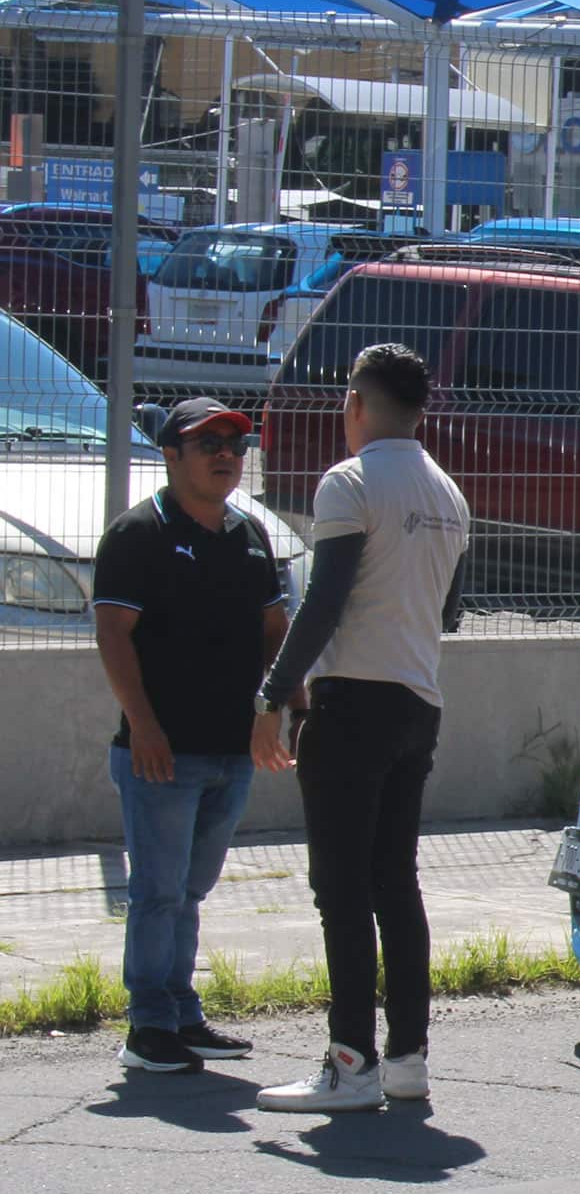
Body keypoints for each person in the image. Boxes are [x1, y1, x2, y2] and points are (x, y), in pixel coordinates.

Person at [251, 344, 471, 1115]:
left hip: (352, 706)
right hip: (419, 703)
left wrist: (274, 694)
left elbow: (324, 601)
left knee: (340, 891)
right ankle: (406, 1057)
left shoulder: (349, 482)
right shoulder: (449, 494)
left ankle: (351, 1064)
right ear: (420, 411)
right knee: (395, 884)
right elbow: (448, 610)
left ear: (357, 403)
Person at [91, 399, 295, 1075]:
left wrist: (290, 704)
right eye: (207, 441)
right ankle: (148, 1024)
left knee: (191, 888)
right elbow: (113, 636)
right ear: (170, 454)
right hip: (160, 752)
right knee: (157, 890)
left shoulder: (248, 533)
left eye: (235, 442)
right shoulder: (137, 533)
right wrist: (144, 725)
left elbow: (274, 633)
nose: (225, 454)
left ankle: (181, 1011)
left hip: (232, 751)